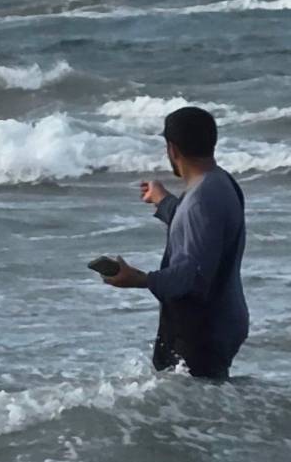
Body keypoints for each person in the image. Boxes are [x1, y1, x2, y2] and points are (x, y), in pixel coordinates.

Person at [101, 106, 249, 380]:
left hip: (201, 330)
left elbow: (191, 278)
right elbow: (204, 233)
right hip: (223, 319)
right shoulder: (221, 183)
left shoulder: (200, 200)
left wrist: (140, 279)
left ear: (172, 149)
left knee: (190, 415)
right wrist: (164, 202)